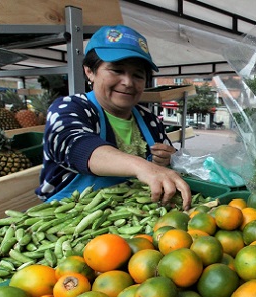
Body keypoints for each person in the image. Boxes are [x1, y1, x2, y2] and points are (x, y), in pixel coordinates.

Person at [35, 24, 191, 209]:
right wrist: (142, 167)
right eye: (117, 70)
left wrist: (166, 160)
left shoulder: (148, 119)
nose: (128, 82)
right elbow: (76, 145)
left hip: (133, 220)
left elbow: (165, 165)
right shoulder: (69, 108)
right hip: (67, 224)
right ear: (89, 71)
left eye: (138, 75)